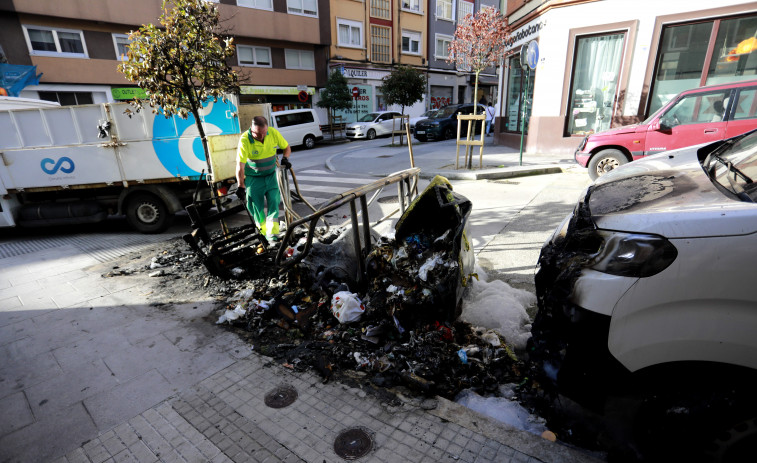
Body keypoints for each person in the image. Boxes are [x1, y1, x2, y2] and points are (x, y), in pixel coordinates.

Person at [235, 116, 291, 242]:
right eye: (257, 134)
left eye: (263, 133)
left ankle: (272, 237)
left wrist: (285, 158)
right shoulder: (245, 139)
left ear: (267, 129)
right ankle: (262, 236)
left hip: (271, 177)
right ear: (251, 129)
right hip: (254, 179)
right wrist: (241, 185)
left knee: (273, 206)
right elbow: (240, 165)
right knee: (257, 209)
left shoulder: (273, 133)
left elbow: (286, 147)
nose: (261, 137)